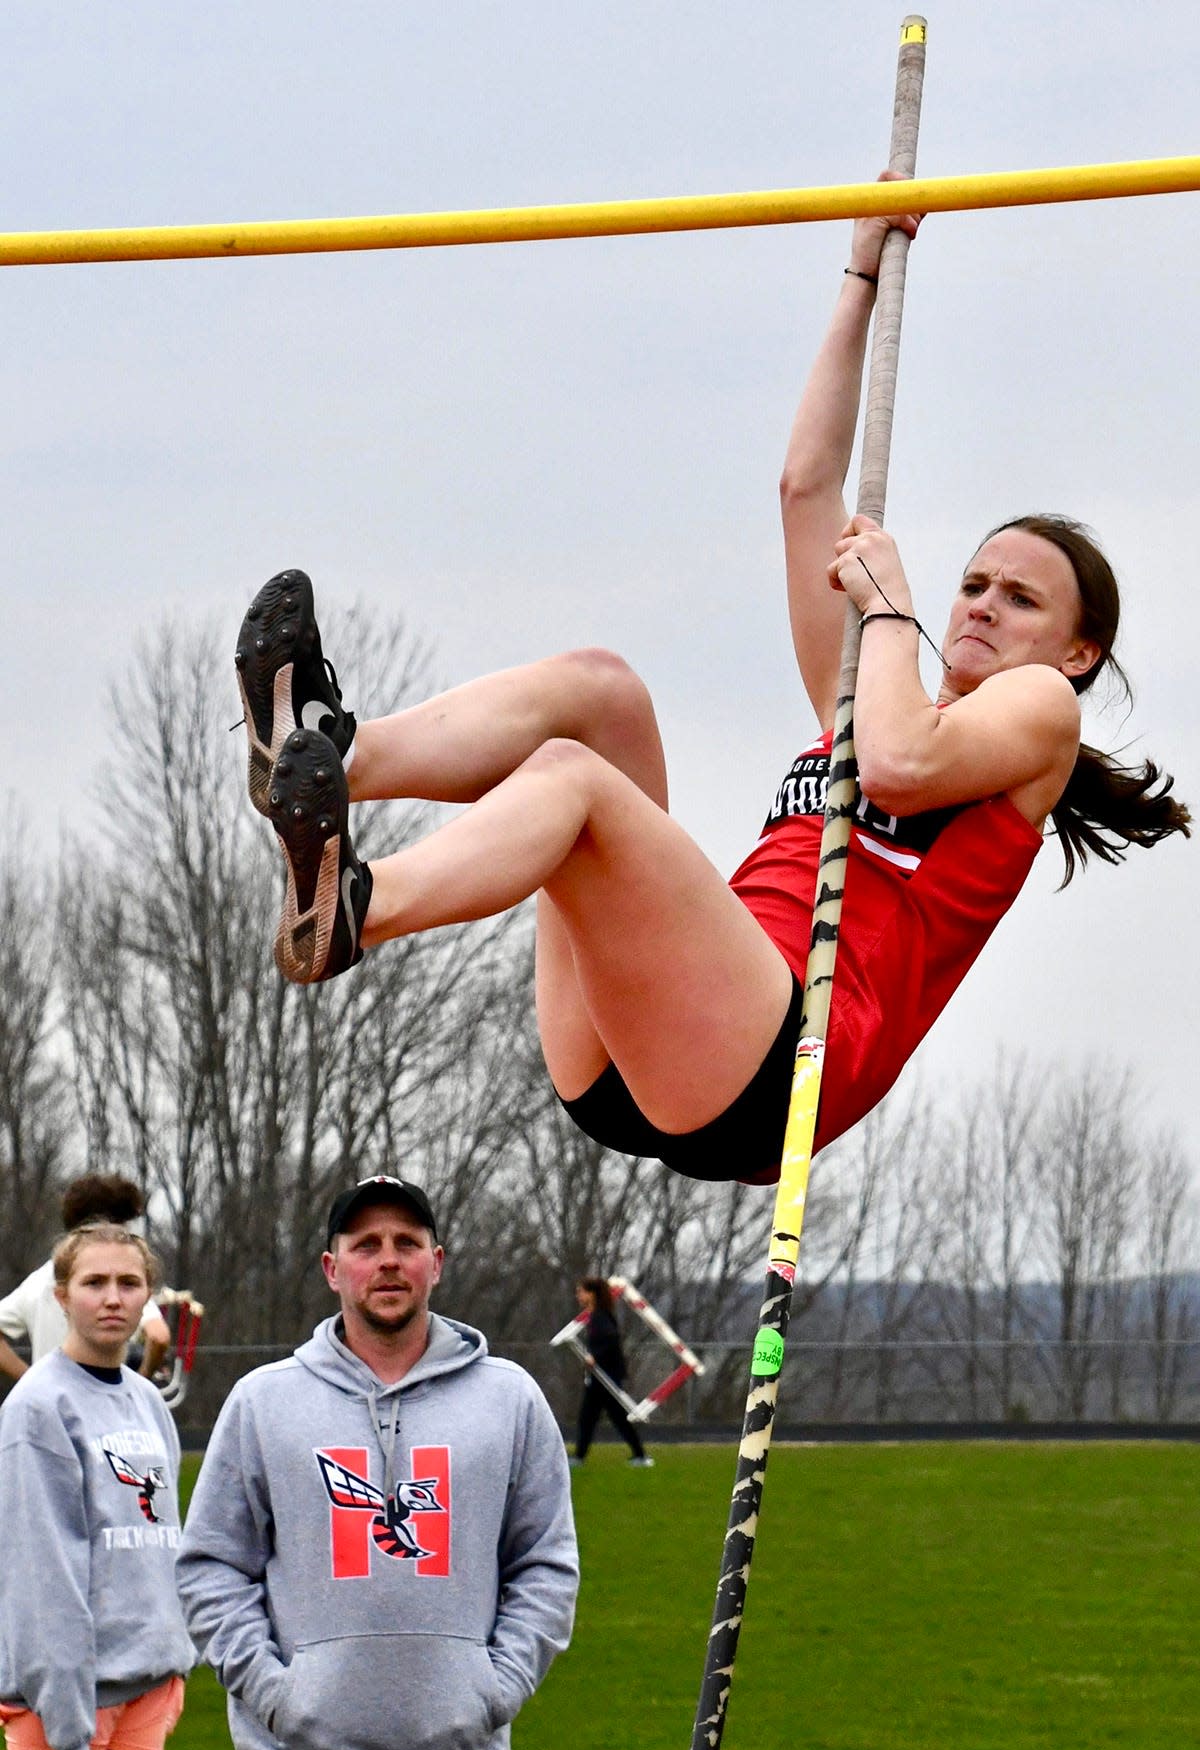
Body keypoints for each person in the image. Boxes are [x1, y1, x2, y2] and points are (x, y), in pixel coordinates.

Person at [231, 193, 1189, 1187]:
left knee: (574, 781)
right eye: (974, 584)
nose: (983, 606)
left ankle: (358, 908)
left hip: (779, 1068)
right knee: (602, 697)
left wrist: (892, 608)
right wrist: (861, 280)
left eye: (1021, 599)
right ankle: (324, 757)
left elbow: (901, 770)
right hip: (649, 1043)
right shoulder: (877, 693)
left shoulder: (1041, 713)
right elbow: (805, 491)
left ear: (1077, 652)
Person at [177, 1174, 577, 1750]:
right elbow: (211, 1564)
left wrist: (492, 1691)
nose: (386, 1261)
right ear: (333, 1268)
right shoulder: (265, 1402)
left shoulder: (510, 1400)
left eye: (405, 1243)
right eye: (365, 1245)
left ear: (438, 1261)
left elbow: (545, 1560)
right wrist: (279, 1694)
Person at [0, 1224, 192, 1750]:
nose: (112, 1297)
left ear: (148, 1294)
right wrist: (65, 1703)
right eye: (93, 1283)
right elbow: (40, 1566)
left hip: (147, 1681)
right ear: (60, 1295)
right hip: (65, 1690)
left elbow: (161, 1539)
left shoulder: (147, 1402)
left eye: (127, 1283)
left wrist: (174, 1658)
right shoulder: (37, 1407)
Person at [0, 1174, 172, 1390]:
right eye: (93, 1283)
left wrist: (31, 1379)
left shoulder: (38, 1280)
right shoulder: (119, 1281)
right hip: (104, 1395)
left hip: (52, 1391)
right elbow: (159, 1336)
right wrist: (140, 1381)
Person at [571, 1277, 653, 1467]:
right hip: (600, 1377)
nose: (578, 1296)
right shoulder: (597, 1315)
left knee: (596, 1417)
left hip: (606, 1377)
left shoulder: (600, 1316)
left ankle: (640, 1456)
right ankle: (580, 1456)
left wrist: (594, 1357)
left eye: (581, 1292)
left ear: (591, 1294)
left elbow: (610, 1339)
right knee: (593, 1418)